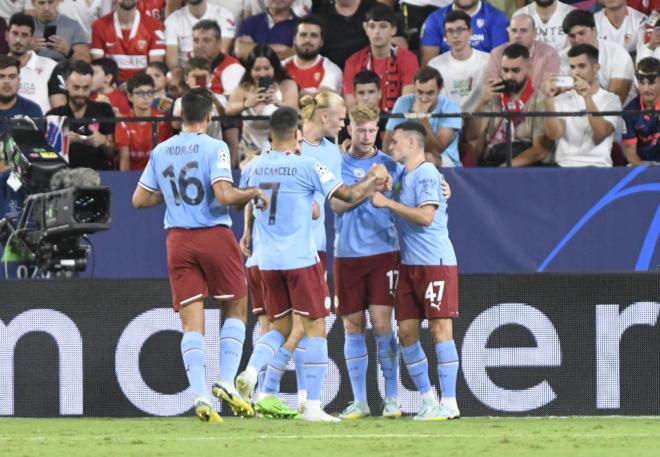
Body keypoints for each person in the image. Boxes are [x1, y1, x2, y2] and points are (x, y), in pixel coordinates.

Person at [239, 105, 391, 422]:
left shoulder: (254, 167)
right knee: (316, 328)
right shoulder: (309, 166)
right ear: (297, 135)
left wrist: (248, 232)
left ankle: (252, 372)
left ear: (270, 135)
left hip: (267, 262)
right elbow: (347, 196)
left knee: (279, 327)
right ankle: (312, 406)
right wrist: (374, 178)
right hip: (300, 258)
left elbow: (251, 205)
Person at [131, 87, 269, 423]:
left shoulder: (161, 150)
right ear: (209, 117)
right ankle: (225, 380)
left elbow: (139, 199)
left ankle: (200, 395)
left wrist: (173, 196)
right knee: (236, 307)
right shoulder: (215, 146)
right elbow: (223, 195)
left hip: (177, 240)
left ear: (181, 117)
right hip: (213, 235)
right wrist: (251, 192)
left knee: (191, 321)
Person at [371, 120, 460, 421]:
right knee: (406, 331)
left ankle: (450, 402)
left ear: (411, 143)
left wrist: (387, 204)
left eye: (395, 141)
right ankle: (428, 400)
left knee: (440, 329)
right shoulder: (402, 174)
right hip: (409, 265)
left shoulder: (426, 173)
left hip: (435, 262)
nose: (391, 146)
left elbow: (425, 216)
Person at [332, 103, 403, 419]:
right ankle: (360, 401)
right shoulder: (336, 164)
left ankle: (392, 399)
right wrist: (370, 185)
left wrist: (444, 189)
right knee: (352, 325)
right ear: (349, 129)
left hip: (383, 253)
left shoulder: (390, 164)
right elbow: (336, 205)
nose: (365, 135)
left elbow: (409, 196)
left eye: (371, 129)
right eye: (360, 129)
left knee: (383, 325)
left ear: (378, 130)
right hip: (347, 254)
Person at [469, 43, 553, 166]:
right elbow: (471, 135)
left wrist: (507, 168)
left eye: (515, 70)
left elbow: (540, 151)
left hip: (525, 166)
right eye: (505, 70)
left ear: (529, 68)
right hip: (493, 160)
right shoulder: (492, 96)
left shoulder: (539, 99)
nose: (509, 76)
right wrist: (482, 102)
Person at [542, 44, 622, 167]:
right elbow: (554, 134)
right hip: (564, 166)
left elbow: (601, 134)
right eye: (572, 67)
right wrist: (548, 99)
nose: (576, 72)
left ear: (596, 68)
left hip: (599, 167)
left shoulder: (611, 100)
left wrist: (587, 97)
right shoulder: (561, 100)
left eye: (582, 66)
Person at [225, 44, 299, 163]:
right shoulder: (243, 88)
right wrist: (246, 104)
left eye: (267, 68)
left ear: (274, 68)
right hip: (250, 151)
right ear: (250, 70)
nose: (262, 73)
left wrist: (279, 103)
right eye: (257, 69)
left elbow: (295, 111)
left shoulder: (287, 85)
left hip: (282, 150)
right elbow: (228, 110)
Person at [343, 4, 419, 113]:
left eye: (383, 26)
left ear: (393, 30)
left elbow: (407, 102)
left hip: (396, 123)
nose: (376, 32)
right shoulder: (353, 61)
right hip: (362, 122)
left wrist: (389, 127)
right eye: (372, 26)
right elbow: (351, 104)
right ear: (366, 28)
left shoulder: (408, 59)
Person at [384, 66, 462, 168]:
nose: (424, 98)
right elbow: (388, 141)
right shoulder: (403, 102)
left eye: (430, 93)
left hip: (445, 161)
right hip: (407, 157)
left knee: (426, 157)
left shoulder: (451, 108)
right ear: (414, 87)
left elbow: (436, 150)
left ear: (439, 89)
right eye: (420, 92)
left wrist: (423, 118)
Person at [46, 60, 116, 170]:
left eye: (86, 88)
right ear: (66, 85)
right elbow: (47, 156)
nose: (81, 93)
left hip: (98, 173)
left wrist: (103, 141)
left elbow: (112, 153)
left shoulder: (104, 109)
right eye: (76, 87)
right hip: (65, 175)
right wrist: (62, 141)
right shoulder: (54, 115)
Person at [559, 9, 635, 105]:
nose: (577, 39)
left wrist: (581, 89)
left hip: (623, 116)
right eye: (572, 36)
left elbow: (615, 103)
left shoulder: (618, 54)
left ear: (594, 31)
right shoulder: (561, 58)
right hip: (577, 114)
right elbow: (556, 92)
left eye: (582, 33)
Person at [312, 0, 408, 70]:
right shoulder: (319, 15)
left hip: (374, 77)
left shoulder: (379, 10)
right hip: (331, 79)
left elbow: (401, 46)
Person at [427, 9, 489, 114]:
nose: (455, 35)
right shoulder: (434, 65)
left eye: (460, 29)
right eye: (450, 31)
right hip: (446, 122)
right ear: (445, 36)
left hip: (479, 118)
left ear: (470, 32)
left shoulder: (488, 61)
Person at [90, 0, 165, 82]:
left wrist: (134, 84)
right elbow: (97, 66)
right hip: (110, 85)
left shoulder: (155, 26)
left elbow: (155, 68)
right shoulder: (98, 26)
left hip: (142, 86)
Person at [6, 12, 64, 114]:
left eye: (24, 35)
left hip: (40, 128)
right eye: (15, 33)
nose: (18, 40)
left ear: (32, 38)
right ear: (7, 35)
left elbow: (60, 110)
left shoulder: (50, 66)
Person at [420, 0, 509, 66]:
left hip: (484, 79)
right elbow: (428, 67)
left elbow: (500, 64)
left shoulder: (497, 18)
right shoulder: (434, 19)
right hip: (446, 82)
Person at [485, 14, 560, 91]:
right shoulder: (496, 54)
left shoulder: (549, 54)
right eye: (514, 31)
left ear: (534, 33)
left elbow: (548, 89)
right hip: (505, 101)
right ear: (508, 33)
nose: (517, 35)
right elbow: (494, 88)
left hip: (538, 102)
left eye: (523, 31)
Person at [116, 72, 173, 171]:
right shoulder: (123, 122)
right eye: (140, 93)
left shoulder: (162, 120)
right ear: (129, 96)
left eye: (150, 92)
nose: (146, 97)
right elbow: (124, 158)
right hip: (131, 176)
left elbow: (164, 157)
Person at [164, 0, 236, 69]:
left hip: (216, 72)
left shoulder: (224, 15)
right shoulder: (172, 20)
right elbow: (172, 65)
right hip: (185, 74)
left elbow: (222, 54)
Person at [282, 15, 343, 95]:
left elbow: (323, 99)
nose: (308, 40)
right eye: (303, 35)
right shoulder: (281, 67)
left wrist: (289, 90)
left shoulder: (332, 70)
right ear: (294, 39)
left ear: (321, 42)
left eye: (314, 35)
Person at [191, 19, 245, 97]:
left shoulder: (233, 68)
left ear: (219, 43)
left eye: (206, 40)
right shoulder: (192, 66)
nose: (200, 46)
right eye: (196, 40)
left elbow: (231, 103)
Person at [622, 57, 660, 165]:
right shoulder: (629, 112)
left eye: (652, 83)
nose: (646, 89)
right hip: (643, 165)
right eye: (642, 83)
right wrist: (646, 168)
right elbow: (631, 153)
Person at [234, 0, 299, 61]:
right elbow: (240, 51)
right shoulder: (250, 22)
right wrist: (281, 48)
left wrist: (252, 48)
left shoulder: (302, 26)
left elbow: (297, 56)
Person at [0, 55, 42, 138]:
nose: (7, 81)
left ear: (19, 81)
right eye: (1, 76)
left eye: (12, 77)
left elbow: (37, 146)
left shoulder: (32, 110)